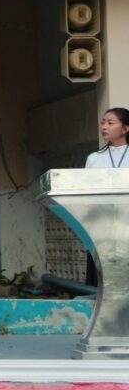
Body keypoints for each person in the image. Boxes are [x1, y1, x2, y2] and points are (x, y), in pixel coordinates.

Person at [83, 107, 129, 286]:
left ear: (125, 128)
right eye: (103, 122)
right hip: (102, 226)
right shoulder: (94, 158)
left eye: (110, 123)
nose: (104, 126)